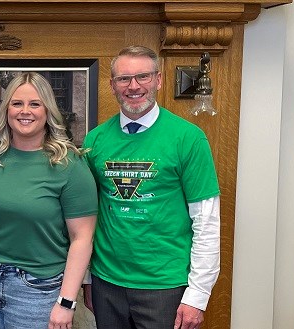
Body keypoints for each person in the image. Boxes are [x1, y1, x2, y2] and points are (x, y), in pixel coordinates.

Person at [81, 45, 220, 329]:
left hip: (164, 285)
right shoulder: (94, 141)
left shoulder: (188, 138)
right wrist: (87, 279)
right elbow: (85, 218)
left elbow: (206, 221)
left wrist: (198, 295)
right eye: (124, 79)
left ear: (158, 80)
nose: (133, 86)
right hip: (106, 282)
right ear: (112, 86)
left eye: (142, 77)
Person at [0, 72, 98, 329]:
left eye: (35, 104)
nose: (24, 111)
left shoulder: (70, 164)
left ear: (47, 110)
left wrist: (66, 303)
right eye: (17, 103)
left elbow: (82, 238)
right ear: (6, 110)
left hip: (37, 289)